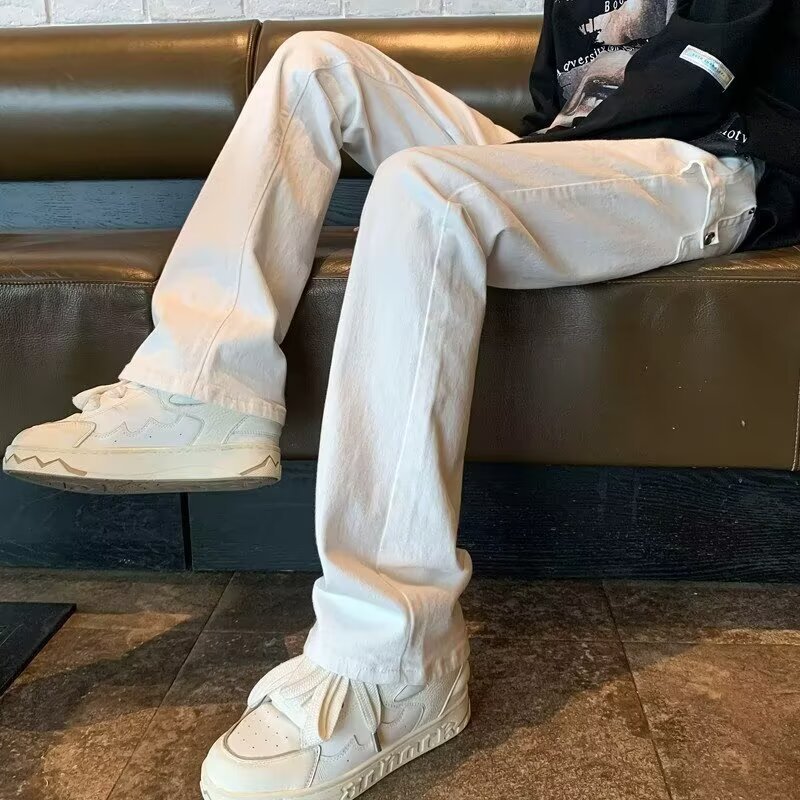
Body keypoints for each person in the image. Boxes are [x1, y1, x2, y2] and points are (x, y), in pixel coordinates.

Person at [4, 1, 799, 798]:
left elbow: (693, 87)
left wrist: (532, 161)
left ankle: (395, 658)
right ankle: (204, 385)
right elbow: (558, 107)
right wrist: (531, 161)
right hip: (579, 159)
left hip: (707, 168)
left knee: (426, 186)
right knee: (316, 63)